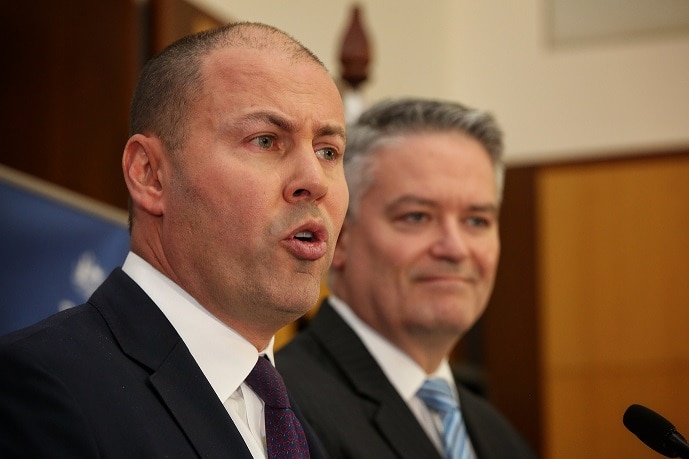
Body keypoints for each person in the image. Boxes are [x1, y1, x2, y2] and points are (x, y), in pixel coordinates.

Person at [0, 22, 348, 458]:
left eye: (328, 151)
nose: (315, 181)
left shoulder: (295, 424)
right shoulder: (36, 387)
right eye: (265, 140)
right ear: (150, 175)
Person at [277, 98, 537, 459]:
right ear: (341, 239)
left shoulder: (499, 436)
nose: (455, 248)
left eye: (476, 221)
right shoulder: (285, 415)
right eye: (416, 217)